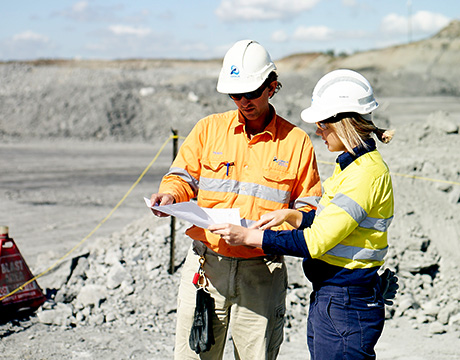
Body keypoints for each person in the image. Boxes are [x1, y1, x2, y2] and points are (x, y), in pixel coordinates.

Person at [150, 40, 321, 359]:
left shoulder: (296, 143)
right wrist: (169, 195)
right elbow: (182, 178)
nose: (243, 102)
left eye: (251, 93)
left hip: (262, 272)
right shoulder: (207, 130)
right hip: (205, 268)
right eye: (235, 94)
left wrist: (281, 226)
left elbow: (308, 209)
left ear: (272, 86)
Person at [209, 69, 395, 360]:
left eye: (322, 125)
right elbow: (332, 222)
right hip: (335, 297)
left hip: (345, 299)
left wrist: (250, 236)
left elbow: (315, 242)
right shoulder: (352, 166)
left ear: (343, 124)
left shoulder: (364, 175)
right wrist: (291, 217)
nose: (319, 132)